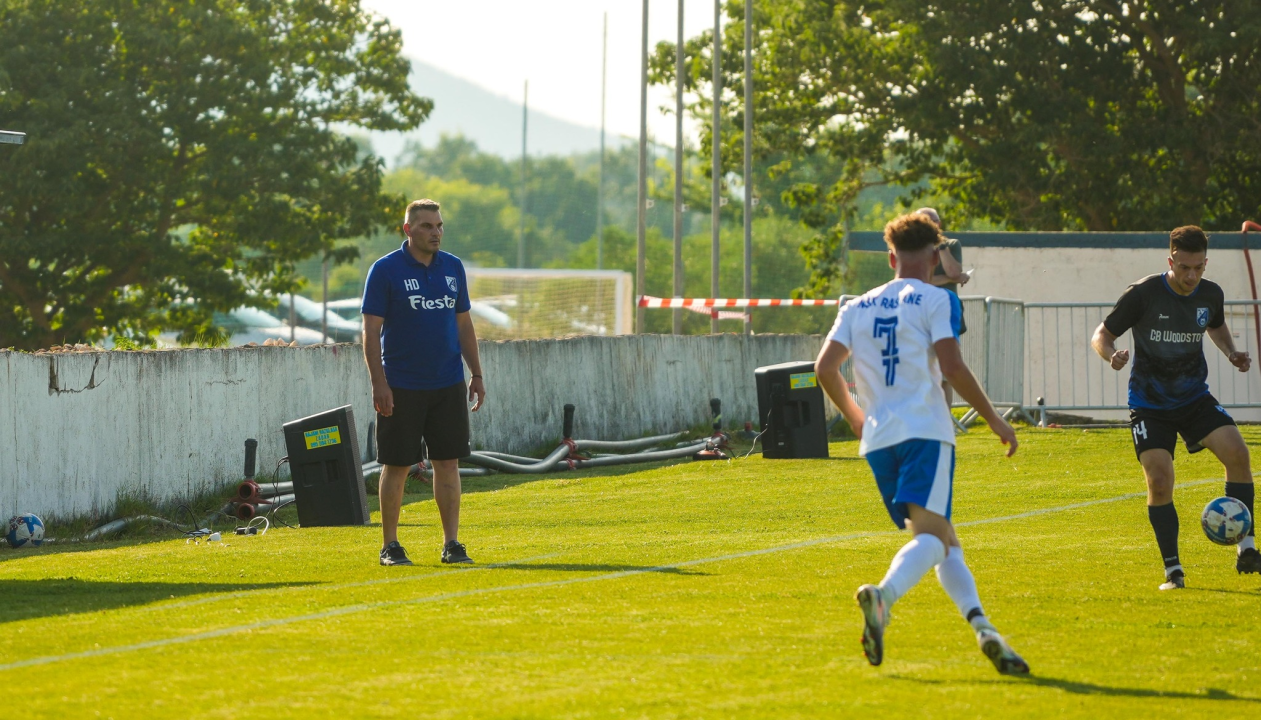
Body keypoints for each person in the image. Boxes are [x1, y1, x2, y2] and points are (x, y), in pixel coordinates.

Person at [815, 212, 1029, 675]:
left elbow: (825, 368)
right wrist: (994, 419)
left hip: (877, 439)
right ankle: (883, 597)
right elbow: (951, 366)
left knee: (946, 541)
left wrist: (855, 417)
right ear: (934, 258)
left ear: (891, 257)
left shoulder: (856, 306)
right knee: (932, 537)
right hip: (926, 433)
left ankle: (984, 629)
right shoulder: (936, 299)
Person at [1091, 225, 1258, 590]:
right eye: (1184, 267)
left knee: (1238, 454)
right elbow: (1101, 335)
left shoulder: (1211, 293)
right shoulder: (1143, 293)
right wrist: (1111, 356)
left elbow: (1215, 325)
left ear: (1205, 263)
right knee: (1161, 481)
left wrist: (1231, 352)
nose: (1191, 276)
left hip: (1194, 397)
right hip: (1150, 404)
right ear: (1171, 260)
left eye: (1198, 267)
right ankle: (1173, 572)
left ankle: (1247, 548)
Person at [361, 198, 487, 567]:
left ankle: (452, 544)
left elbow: (463, 324)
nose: (436, 232)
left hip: (447, 382)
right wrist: (379, 382)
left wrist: (475, 374)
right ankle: (391, 545)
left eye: (439, 225)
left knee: (448, 463)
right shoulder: (385, 270)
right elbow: (370, 331)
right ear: (408, 230)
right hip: (401, 384)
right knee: (397, 464)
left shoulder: (453, 268)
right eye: (427, 226)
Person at [916, 207, 971, 408]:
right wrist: (950, 278)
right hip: (919, 312)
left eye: (930, 222)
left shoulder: (951, 245)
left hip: (946, 312)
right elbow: (922, 280)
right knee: (922, 368)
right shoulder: (912, 249)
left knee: (946, 370)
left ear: (938, 224)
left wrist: (939, 245)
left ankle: (945, 421)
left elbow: (953, 270)